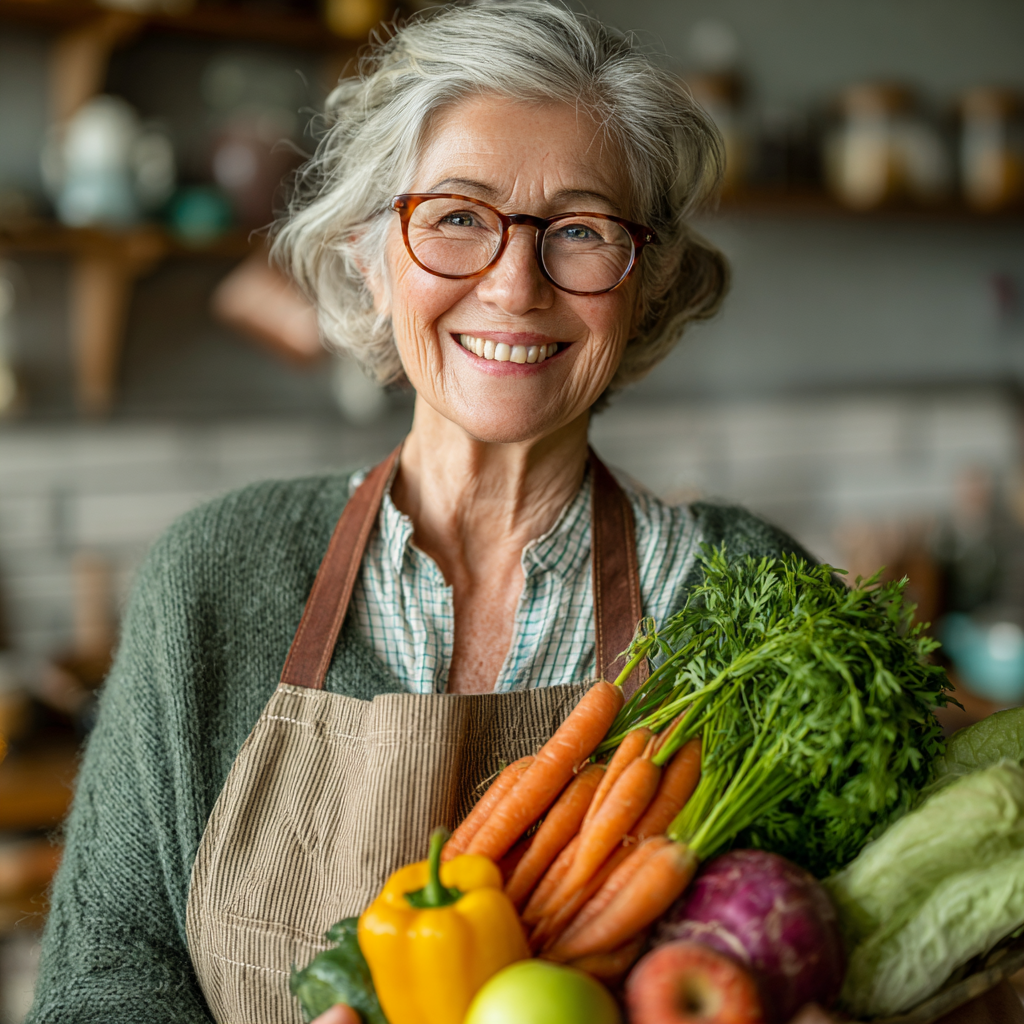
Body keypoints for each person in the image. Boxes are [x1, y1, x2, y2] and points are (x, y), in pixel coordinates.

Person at [27, 4, 812, 1022]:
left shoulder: (755, 603)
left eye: (579, 232)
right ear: (368, 254)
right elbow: (102, 983)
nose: (513, 284)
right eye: (454, 217)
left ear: (644, 279)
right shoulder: (215, 572)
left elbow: (847, 965)